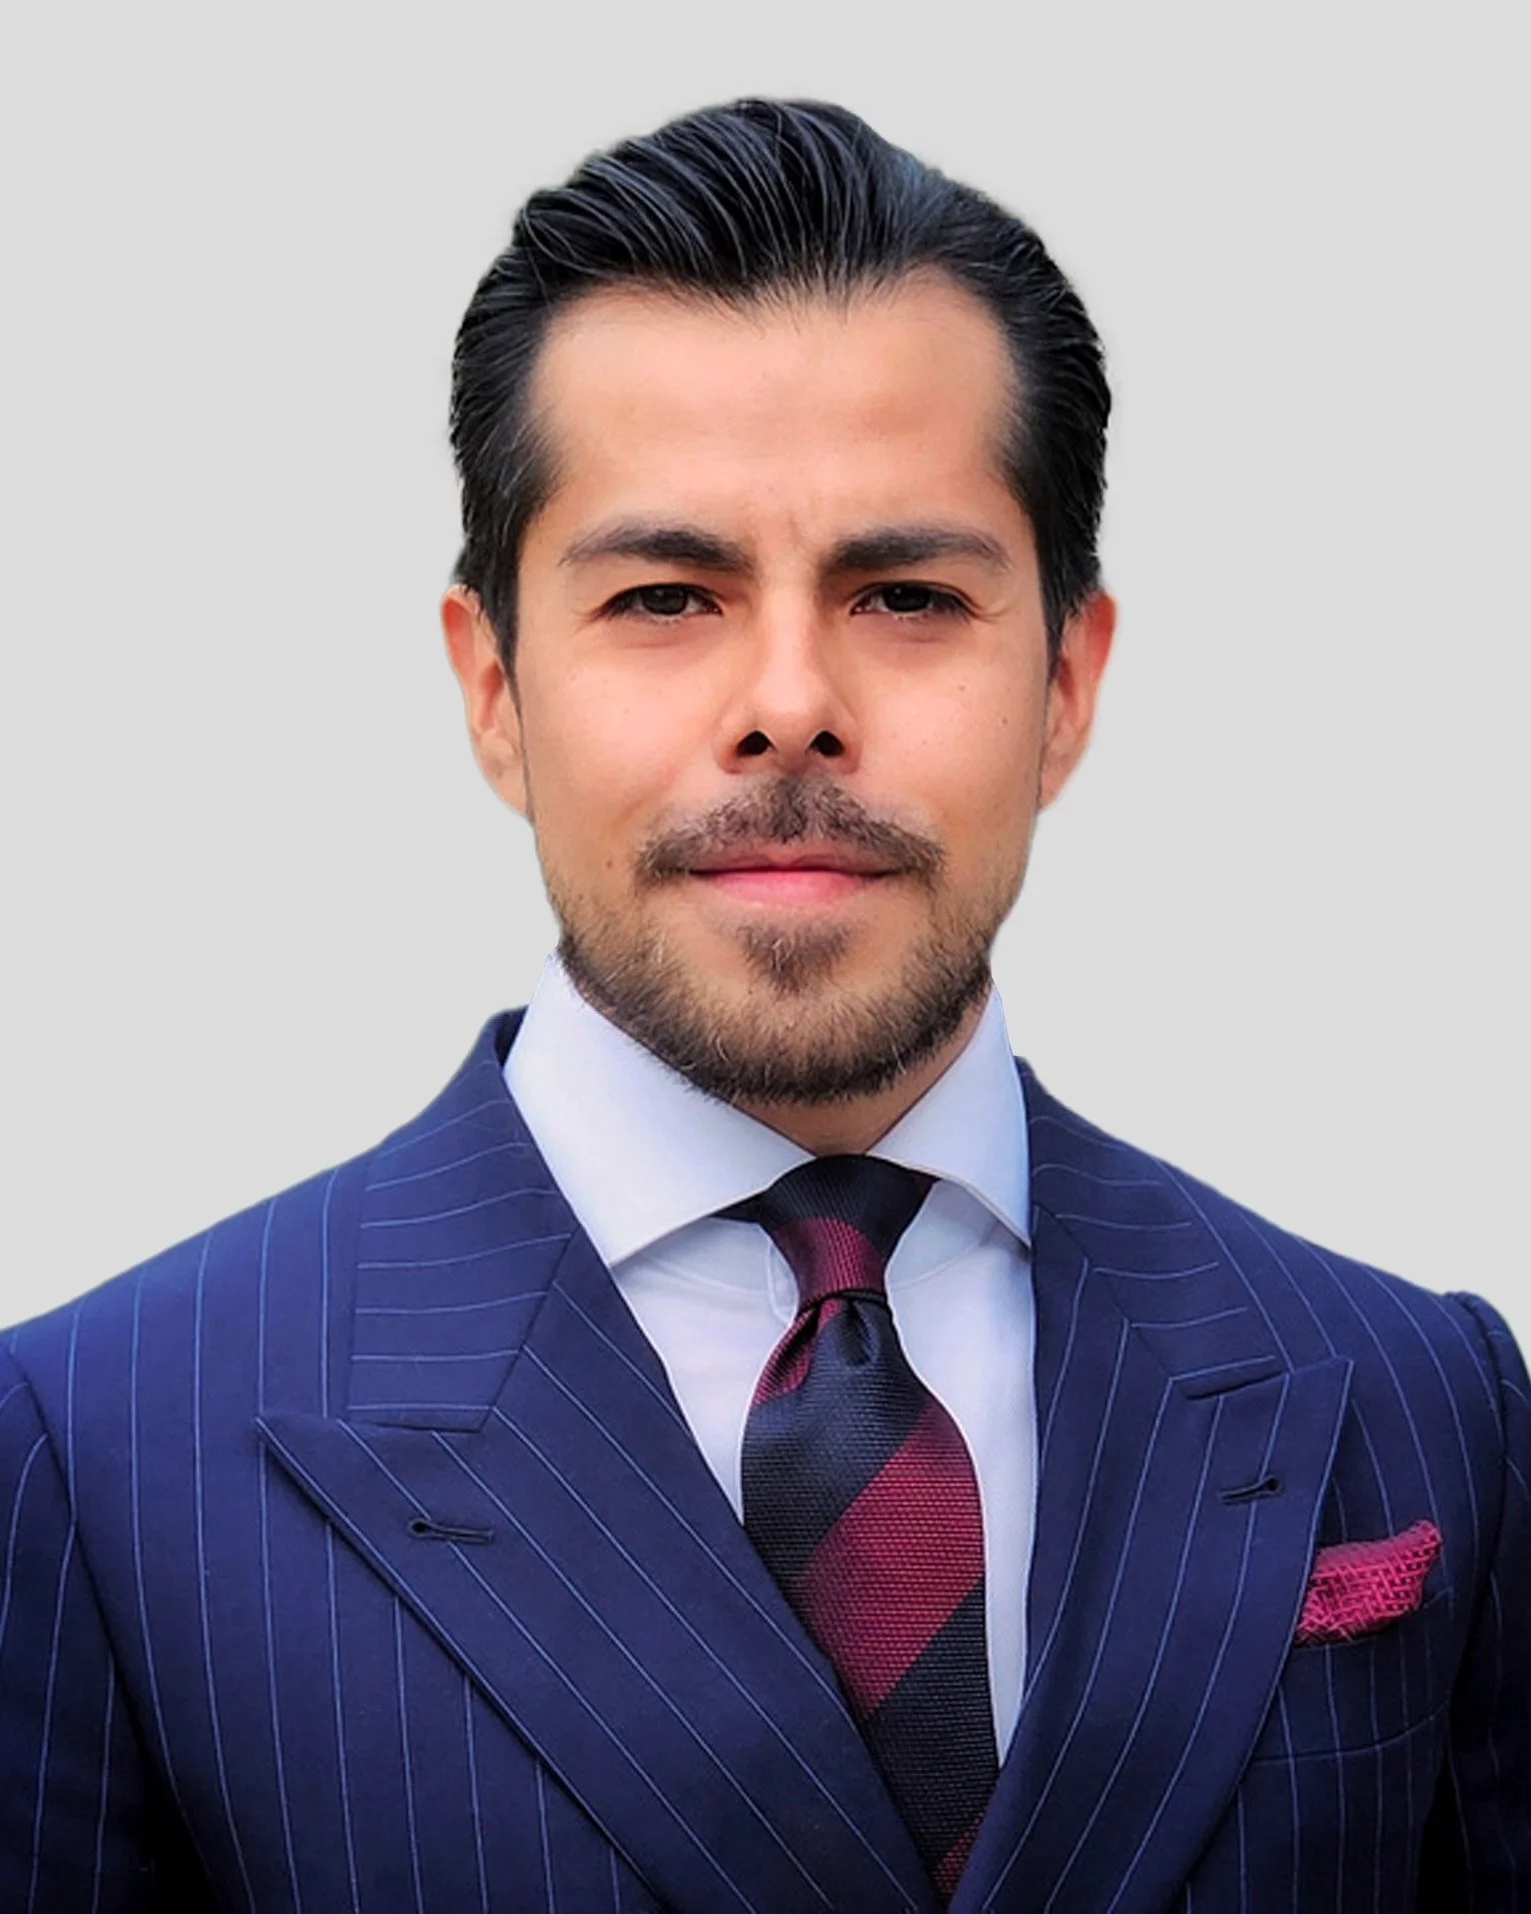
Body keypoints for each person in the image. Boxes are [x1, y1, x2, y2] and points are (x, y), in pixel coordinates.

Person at [1, 97, 1525, 1914]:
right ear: (492, 687)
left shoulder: (1420, 1398)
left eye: (904, 592)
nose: (789, 701)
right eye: (665, 594)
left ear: (1066, 681)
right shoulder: (97, 1453)